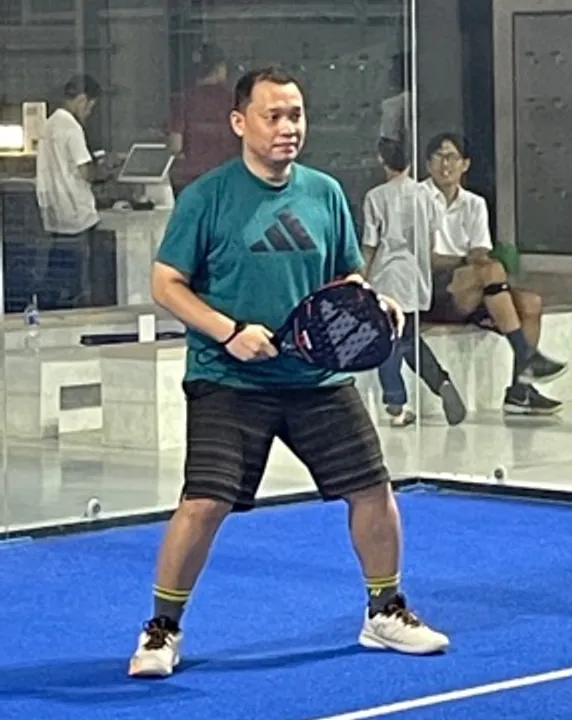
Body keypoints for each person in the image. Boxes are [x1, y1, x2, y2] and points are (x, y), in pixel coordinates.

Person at [128, 67, 449, 678]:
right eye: (272, 116)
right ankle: (162, 628)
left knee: (373, 490)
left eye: (295, 115)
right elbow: (166, 283)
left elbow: (346, 277)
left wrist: (371, 301)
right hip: (229, 379)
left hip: (317, 381)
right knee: (204, 503)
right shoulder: (207, 197)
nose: (287, 127)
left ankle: (384, 611)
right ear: (239, 122)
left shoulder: (324, 193)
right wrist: (229, 331)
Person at [423, 132, 566, 415]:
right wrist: (469, 261)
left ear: (465, 164)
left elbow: (480, 250)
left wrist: (478, 262)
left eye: (452, 157)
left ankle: (520, 391)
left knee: (530, 302)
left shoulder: (474, 203)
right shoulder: (418, 198)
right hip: (434, 288)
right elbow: (427, 258)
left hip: (474, 288)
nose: (445, 164)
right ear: (428, 164)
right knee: (489, 270)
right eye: (439, 157)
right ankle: (526, 356)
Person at [362, 137, 466, 427]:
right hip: (414, 278)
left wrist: (361, 278)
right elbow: (431, 243)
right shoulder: (426, 196)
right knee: (408, 339)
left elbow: (370, 244)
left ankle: (396, 404)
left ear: (382, 162)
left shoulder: (376, 197)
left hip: (386, 278)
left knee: (388, 342)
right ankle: (441, 383)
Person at [35, 74, 111, 308]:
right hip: (77, 214)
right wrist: (106, 170)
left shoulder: (49, 124)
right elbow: (85, 172)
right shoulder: (72, 127)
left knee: (57, 271)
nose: (89, 113)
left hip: (54, 213)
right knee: (80, 277)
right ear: (82, 100)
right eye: (90, 107)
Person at [166, 43, 239, 195]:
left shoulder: (182, 100)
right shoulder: (233, 101)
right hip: (227, 179)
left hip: (190, 180)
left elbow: (175, 145)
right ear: (220, 68)